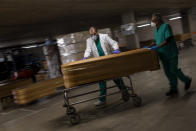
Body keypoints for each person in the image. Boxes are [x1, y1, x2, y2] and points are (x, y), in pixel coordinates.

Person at [146, 13, 192, 96]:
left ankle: (187, 80)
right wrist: (150, 45)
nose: (152, 22)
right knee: (168, 72)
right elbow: (157, 40)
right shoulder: (156, 29)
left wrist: (157, 47)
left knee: (173, 69)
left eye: (153, 20)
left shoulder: (166, 26)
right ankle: (174, 88)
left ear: (158, 20)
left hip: (171, 53)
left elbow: (168, 39)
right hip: (163, 55)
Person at [83, 26, 130, 106]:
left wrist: (116, 49)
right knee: (101, 80)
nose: (92, 36)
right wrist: (85, 57)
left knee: (116, 77)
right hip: (99, 63)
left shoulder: (104, 36)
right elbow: (88, 50)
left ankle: (125, 92)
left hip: (108, 61)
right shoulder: (89, 40)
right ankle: (102, 100)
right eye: (91, 35)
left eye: (94, 34)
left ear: (97, 32)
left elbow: (114, 43)